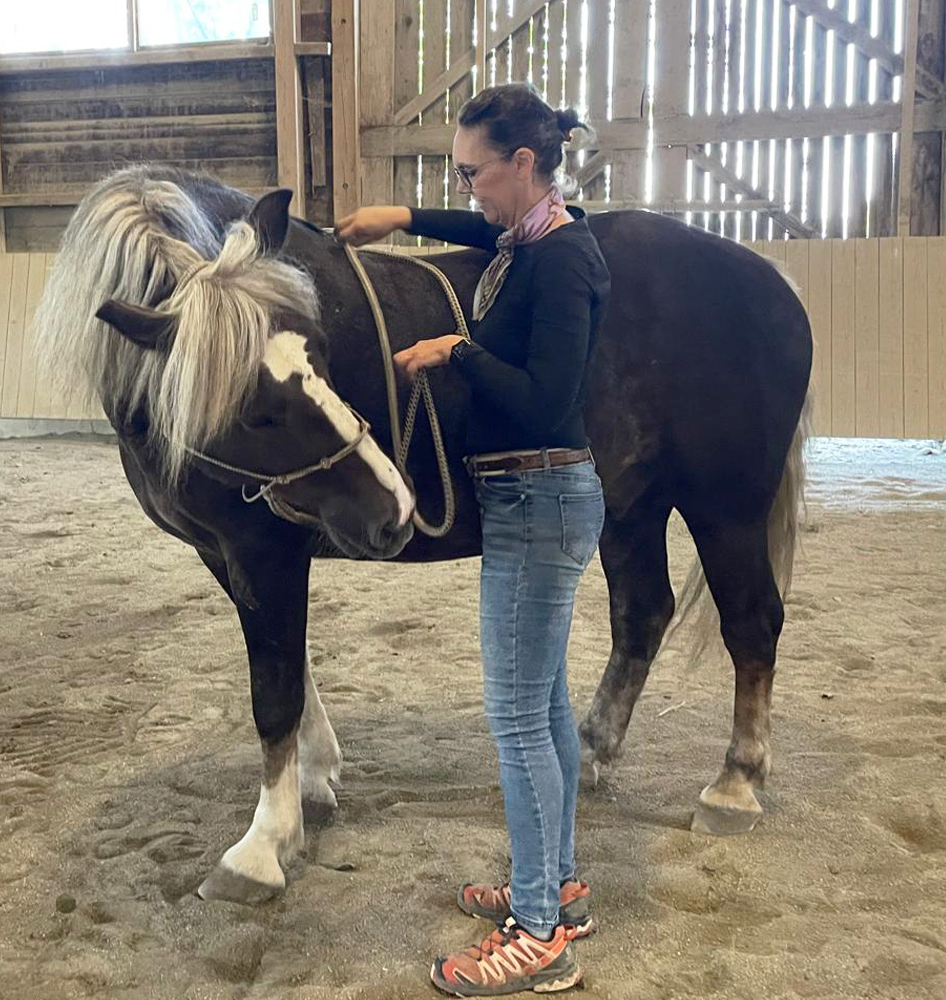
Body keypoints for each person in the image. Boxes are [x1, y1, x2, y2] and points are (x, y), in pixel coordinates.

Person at [337, 82, 611, 997]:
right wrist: (405, 213)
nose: (473, 191)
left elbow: (545, 397)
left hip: (538, 496)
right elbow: (481, 230)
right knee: (543, 709)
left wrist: (455, 350)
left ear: (523, 165)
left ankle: (538, 931)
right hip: (528, 501)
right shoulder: (529, 240)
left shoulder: (563, 260)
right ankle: (557, 886)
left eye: (475, 173)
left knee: (516, 718)